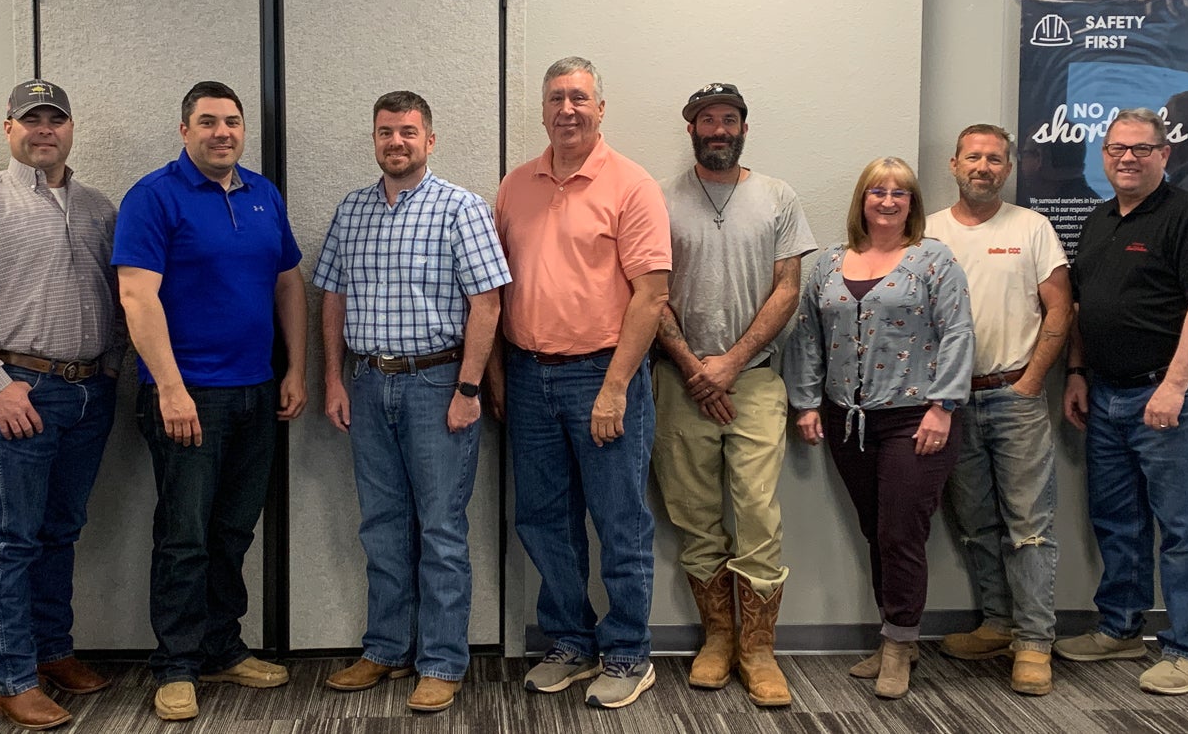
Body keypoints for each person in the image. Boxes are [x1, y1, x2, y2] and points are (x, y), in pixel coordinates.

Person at [0, 81, 125, 731]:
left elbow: (121, 297)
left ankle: (52, 650)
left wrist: (115, 370)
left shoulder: (101, 209)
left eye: (57, 119)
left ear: (72, 128)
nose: (45, 129)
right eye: (32, 119)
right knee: (13, 536)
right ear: (9, 125)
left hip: (90, 390)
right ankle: (10, 676)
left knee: (61, 530)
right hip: (22, 389)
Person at [114, 81, 307, 722]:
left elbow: (286, 285)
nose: (221, 132)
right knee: (184, 535)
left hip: (256, 391)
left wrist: (295, 369)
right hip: (187, 395)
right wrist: (169, 387)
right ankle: (175, 665)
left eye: (232, 122)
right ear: (184, 130)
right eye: (207, 122)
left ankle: (224, 648)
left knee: (231, 531)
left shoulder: (262, 195)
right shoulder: (153, 197)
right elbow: (137, 297)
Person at [314, 92, 512, 714]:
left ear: (430, 140)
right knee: (380, 526)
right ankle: (385, 649)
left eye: (407, 132)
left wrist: (469, 389)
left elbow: (488, 304)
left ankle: (442, 661)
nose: (395, 142)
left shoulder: (461, 209)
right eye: (384, 132)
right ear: (373, 139)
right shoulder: (351, 211)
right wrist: (333, 379)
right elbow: (332, 300)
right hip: (368, 383)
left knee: (442, 529)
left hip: (438, 386)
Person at [494, 57, 670, 709]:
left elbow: (651, 295)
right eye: (556, 98)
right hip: (527, 373)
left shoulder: (631, 185)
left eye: (579, 98)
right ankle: (571, 641)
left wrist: (616, 386)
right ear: (542, 110)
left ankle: (629, 652)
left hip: (602, 373)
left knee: (620, 521)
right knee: (543, 520)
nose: (567, 108)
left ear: (600, 108)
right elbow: (495, 288)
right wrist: (497, 374)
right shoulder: (515, 186)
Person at [1056, 109, 1188, 696]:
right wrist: (1077, 373)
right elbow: (1082, 306)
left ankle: (1187, 649)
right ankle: (1121, 629)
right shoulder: (1100, 219)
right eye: (1115, 149)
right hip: (1105, 393)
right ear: (1103, 156)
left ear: (1165, 154)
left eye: (1140, 149)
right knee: (1118, 520)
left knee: (1184, 527)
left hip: (1172, 396)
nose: (1126, 158)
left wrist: (1175, 386)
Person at [784, 157, 973, 701]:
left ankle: (897, 646)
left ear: (912, 203)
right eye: (877, 191)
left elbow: (958, 332)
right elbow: (808, 337)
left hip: (916, 417)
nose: (888, 201)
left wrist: (943, 407)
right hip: (847, 419)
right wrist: (806, 402)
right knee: (876, 529)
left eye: (900, 193)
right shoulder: (827, 264)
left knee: (901, 533)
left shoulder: (932, 260)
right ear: (861, 200)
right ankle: (898, 633)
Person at [651, 83, 815, 707]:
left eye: (729, 119)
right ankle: (718, 639)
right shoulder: (660, 200)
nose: (718, 129)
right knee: (691, 512)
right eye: (706, 120)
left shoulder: (777, 197)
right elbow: (650, 292)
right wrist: (697, 369)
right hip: (678, 380)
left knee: (756, 510)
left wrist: (731, 364)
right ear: (689, 127)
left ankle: (758, 649)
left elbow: (787, 290)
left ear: (744, 126)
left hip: (756, 381)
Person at [926, 124, 1071, 696]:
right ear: (954, 164)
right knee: (976, 524)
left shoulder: (1032, 228)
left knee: (1030, 526)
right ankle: (996, 624)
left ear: (1008, 168)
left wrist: (1033, 381)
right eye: (972, 157)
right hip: (953, 402)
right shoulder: (929, 233)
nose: (982, 167)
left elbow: (1059, 309)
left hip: (1016, 395)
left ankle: (1035, 644)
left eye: (994, 159)